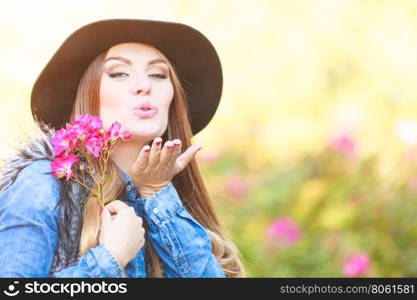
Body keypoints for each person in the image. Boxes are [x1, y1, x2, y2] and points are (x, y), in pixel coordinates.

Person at [0, 19, 245, 278]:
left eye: (158, 75)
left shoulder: (168, 202)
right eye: (119, 73)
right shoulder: (43, 183)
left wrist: (156, 193)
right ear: (87, 94)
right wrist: (110, 258)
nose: (144, 85)